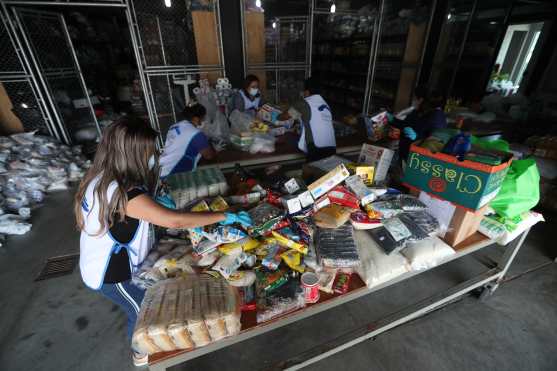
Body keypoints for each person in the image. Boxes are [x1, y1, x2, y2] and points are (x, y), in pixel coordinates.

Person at [74, 117, 251, 367]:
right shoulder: (123, 192)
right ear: (132, 153)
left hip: (108, 262)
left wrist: (154, 202)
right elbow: (175, 221)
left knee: (152, 307)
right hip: (113, 274)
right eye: (150, 150)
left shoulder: (103, 177)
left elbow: (137, 214)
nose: (155, 154)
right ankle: (143, 356)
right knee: (143, 318)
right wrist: (224, 215)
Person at [390, 85, 447, 161]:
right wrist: (393, 120)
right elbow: (406, 124)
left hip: (416, 158)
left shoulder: (436, 117)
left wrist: (416, 136)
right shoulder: (418, 111)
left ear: (423, 100)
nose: (414, 100)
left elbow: (433, 141)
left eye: (416, 98)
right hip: (405, 150)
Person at [159, 104, 215, 178]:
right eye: (203, 118)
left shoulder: (174, 126)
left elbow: (182, 144)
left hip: (161, 167)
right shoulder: (196, 134)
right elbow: (209, 156)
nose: (203, 121)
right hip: (171, 173)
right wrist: (216, 149)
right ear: (196, 118)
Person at [292, 77, 336, 162]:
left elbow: (284, 117)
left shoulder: (304, 102)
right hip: (332, 148)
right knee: (326, 174)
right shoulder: (325, 104)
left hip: (316, 149)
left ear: (307, 91)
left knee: (312, 173)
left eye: (303, 91)